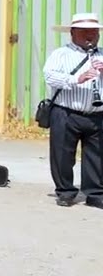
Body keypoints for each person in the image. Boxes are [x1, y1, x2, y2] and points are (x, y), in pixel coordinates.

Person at [41, 12, 103, 208]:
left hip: (97, 114)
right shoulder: (60, 54)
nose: (90, 35)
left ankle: (95, 193)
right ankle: (65, 191)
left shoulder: (101, 55)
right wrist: (77, 78)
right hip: (66, 112)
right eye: (84, 31)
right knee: (62, 155)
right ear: (73, 33)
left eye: (94, 32)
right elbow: (49, 76)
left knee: (97, 156)